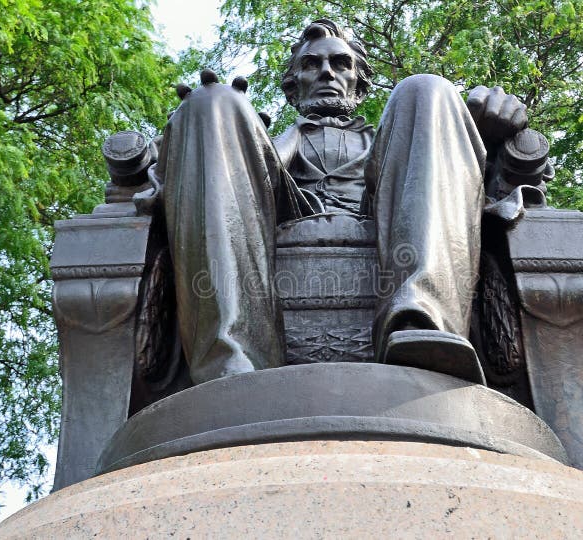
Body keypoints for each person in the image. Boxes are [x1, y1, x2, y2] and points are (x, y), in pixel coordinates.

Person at [153, 19, 527, 384]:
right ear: (294, 87)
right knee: (213, 100)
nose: (327, 73)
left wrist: (488, 137)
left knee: (428, 88)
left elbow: (419, 173)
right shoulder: (294, 135)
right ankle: (232, 362)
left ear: (358, 85)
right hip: (289, 209)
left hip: (378, 211)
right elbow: (259, 175)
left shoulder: (384, 137)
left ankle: (421, 327)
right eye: (312, 65)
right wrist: (213, 125)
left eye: (340, 64)